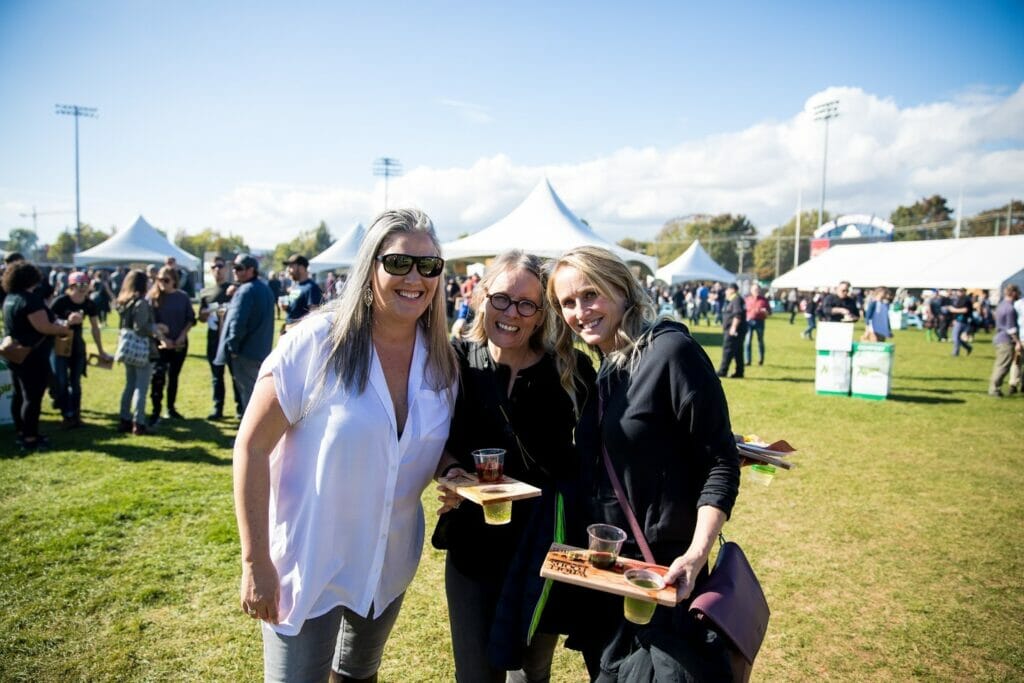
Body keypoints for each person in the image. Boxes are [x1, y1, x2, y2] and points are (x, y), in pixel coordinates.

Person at [233, 209, 458, 682]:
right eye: (398, 263)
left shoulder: (442, 361)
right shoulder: (317, 342)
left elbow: (414, 447)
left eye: (429, 266)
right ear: (370, 266)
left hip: (387, 563)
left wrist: (452, 471)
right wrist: (256, 562)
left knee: (358, 676)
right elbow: (251, 448)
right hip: (308, 561)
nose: (414, 277)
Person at [547, 246, 740, 681]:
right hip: (603, 572)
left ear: (622, 289)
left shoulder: (672, 353)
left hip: (663, 574)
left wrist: (696, 553)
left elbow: (720, 462)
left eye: (591, 294)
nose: (580, 311)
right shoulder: (605, 365)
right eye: (568, 303)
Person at [431, 250, 595, 683]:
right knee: (475, 673)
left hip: (543, 541)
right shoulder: (455, 360)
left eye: (527, 304)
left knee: (530, 672)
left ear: (541, 316)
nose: (512, 313)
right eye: (502, 298)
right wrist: (451, 473)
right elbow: (430, 439)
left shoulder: (570, 368)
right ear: (481, 295)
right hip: (473, 538)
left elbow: (605, 446)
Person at [3, 262, 81, 451]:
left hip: (15, 351)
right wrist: (63, 328)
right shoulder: (30, 300)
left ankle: (22, 432)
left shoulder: (10, 298)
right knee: (32, 397)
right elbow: (43, 326)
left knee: (19, 395)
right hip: (32, 355)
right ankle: (30, 438)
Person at [50, 271, 113, 428]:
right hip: (60, 346)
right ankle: (67, 415)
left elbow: (95, 327)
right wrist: (66, 321)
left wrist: (101, 350)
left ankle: (75, 415)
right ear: (71, 286)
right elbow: (49, 322)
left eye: (86, 285)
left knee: (76, 383)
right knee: (62, 382)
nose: (84, 289)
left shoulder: (89, 303)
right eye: (80, 285)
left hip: (77, 346)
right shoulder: (60, 302)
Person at [215, 254, 275, 414]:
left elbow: (237, 323)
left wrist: (233, 349)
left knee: (248, 398)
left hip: (245, 354)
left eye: (239, 268)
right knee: (254, 395)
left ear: (251, 270)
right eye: (234, 268)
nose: (235, 271)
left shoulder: (246, 291)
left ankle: (250, 438)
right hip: (260, 352)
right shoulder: (265, 289)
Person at [147, 265, 196, 424]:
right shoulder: (153, 298)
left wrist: (182, 335)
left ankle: (171, 408)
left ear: (174, 280)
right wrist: (162, 339)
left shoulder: (182, 297)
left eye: (166, 280)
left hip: (179, 344)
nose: (162, 283)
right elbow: (150, 322)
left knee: (173, 377)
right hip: (160, 345)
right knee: (158, 376)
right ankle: (156, 410)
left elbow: (190, 319)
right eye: (159, 279)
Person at [114, 270, 158, 435]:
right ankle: (138, 423)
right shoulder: (141, 303)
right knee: (141, 386)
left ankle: (125, 418)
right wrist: (155, 329)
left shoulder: (124, 302)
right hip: (140, 349)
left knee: (129, 384)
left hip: (127, 347)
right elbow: (141, 327)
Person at [198, 257, 240, 420]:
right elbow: (201, 318)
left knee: (235, 375)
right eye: (214, 267)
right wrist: (204, 314)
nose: (217, 269)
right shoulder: (206, 292)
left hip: (231, 337)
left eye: (220, 266)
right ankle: (218, 408)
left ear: (226, 268)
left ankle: (240, 408)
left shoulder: (235, 289)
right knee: (216, 376)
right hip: (213, 338)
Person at [989, 284, 1021, 398]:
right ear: (1013, 293)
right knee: (1003, 366)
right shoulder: (1010, 308)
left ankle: (994, 388)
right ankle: (994, 389)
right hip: (1006, 340)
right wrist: (1017, 342)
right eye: (1018, 292)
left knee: (999, 364)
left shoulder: (1001, 305)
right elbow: (1011, 328)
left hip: (999, 337)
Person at [281, 254, 323, 332]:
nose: (288, 270)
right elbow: (294, 309)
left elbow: (315, 315)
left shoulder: (311, 287)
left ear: (301, 268)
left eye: (291, 267)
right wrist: (286, 307)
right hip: (288, 330)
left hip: (299, 333)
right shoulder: (296, 286)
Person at [717, 282, 747, 378]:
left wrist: (733, 328)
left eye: (727, 289)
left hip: (734, 330)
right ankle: (739, 372)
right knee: (738, 351)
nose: (726, 292)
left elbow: (738, 315)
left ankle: (723, 371)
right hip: (736, 329)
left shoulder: (736, 299)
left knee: (728, 350)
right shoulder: (734, 299)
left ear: (732, 290)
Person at [743, 282, 770, 366]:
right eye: (755, 289)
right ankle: (748, 360)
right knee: (747, 342)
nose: (756, 291)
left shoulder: (764, 300)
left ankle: (761, 360)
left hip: (759, 322)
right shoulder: (747, 299)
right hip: (749, 322)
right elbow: (743, 310)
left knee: (760, 341)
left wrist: (765, 312)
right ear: (751, 290)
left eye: (758, 289)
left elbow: (769, 313)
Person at [948, 288, 974, 356]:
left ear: (964, 292)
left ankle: (955, 353)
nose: (958, 292)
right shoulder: (959, 299)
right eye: (958, 291)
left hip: (963, 321)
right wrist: (954, 319)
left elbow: (965, 310)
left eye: (960, 291)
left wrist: (954, 310)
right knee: (958, 338)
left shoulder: (966, 300)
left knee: (955, 337)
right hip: (958, 320)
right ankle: (968, 347)